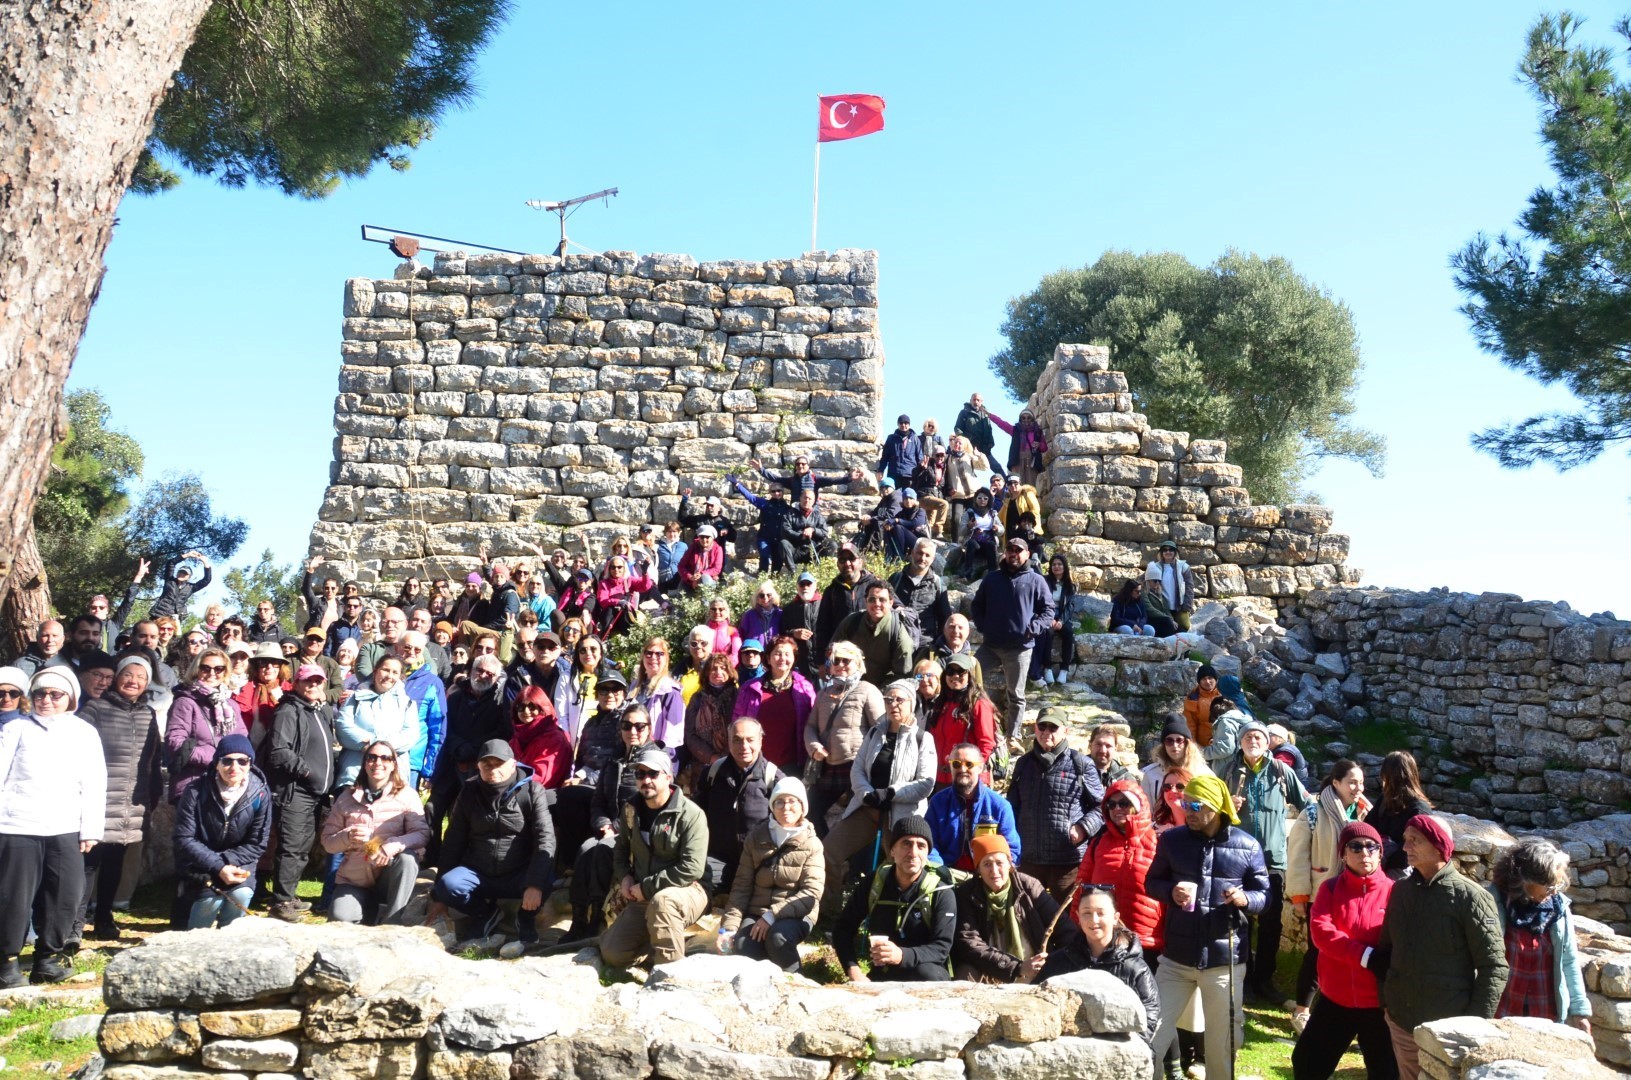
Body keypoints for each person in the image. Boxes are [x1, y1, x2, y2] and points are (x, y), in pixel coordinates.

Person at [1147, 775, 1270, 1080]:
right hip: (1175, 958)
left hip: (1223, 961)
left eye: (1195, 805)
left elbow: (1265, 896)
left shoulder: (1248, 846)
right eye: (1184, 803)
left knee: (1222, 1045)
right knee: (1151, 1037)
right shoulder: (1172, 841)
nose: (1187, 810)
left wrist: (1244, 898)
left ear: (1215, 807)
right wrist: (1170, 892)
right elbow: (1152, 882)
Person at [1379, 815, 1508, 1080]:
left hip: (1449, 1028)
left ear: (1439, 845)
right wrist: (1388, 1000)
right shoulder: (1401, 891)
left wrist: (1473, 1025)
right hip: (1401, 1020)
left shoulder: (1471, 897)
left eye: (1415, 840)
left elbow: (1493, 967)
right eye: (1406, 840)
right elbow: (1387, 948)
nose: (1405, 848)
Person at [0, 669, 105, 986]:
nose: (47, 700)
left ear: (70, 698)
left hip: (65, 827)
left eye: (55, 694)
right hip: (17, 825)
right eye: (41, 693)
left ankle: (49, 958)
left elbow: (95, 782)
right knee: (12, 898)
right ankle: (6, 964)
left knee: (64, 894)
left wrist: (91, 828)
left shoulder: (84, 732)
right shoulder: (16, 728)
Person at [819, 680, 938, 921]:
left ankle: (894, 920)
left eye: (899, 700)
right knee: (829, 851)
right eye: (888, 700)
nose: (893, 704)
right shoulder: (875, 732)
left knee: (900, 866)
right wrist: (867, 794)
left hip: (901, 816)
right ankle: (829, 912)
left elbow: (926, 782)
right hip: (868, 808)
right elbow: (858, 770)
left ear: (911, 703)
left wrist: (891, 793)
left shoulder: (922, 739)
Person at [1290, 821, 1398, 1080]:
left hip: (1378, 1004)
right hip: (1336, 999)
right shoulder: (1330, 889)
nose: (1365, 853)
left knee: (1386, 1073)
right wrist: (1366, 957)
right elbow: (1322, 933)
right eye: (1356, 847)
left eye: (1372, 847)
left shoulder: (1395, 893)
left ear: (1380, 852)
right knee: (1306, 1062)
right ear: (1343, 853)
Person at [1217, 719, 1310, 1000]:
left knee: (1271, 923)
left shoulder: (1281, 771)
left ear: (1267, 741)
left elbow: (1307, 806)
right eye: (1248, 737)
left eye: (1258, 737)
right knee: (1240, 920)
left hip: (1273, 860)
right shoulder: (1228, 771)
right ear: (1241, 742)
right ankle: (1243, 979)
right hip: (1237, 859)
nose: (1253, 741)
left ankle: (1264, 980)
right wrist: (1226, 807)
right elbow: (1212, 816)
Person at [429, 739, 555, 945]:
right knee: (448, 886)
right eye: (487, 764)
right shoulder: (469, 792)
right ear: (478, 766)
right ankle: (485, 913)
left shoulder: (532, 791)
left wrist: (534, 884)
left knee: (545, 877)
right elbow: (453, 840)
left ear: (513, 764)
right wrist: (439, 898)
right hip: (479, 872)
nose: (492, 769)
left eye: (499, 763)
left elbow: (545, 839)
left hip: (518, 873)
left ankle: (525, 917)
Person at [600, 745, 711, 969]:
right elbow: (620, 849)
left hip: (687, 890)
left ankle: (670, 975)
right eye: (640, 774)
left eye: (653, 773)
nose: (646, 780)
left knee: (663, 902)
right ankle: (661, 947)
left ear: (668, 777)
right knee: (613, 954)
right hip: (644, 894)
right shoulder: (631, 809)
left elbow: (692, 868)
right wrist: (625, 878)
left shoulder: (691, 814)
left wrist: (647, 887)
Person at [78, 655, 162, 941]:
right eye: (128, 674)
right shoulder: (95, 708)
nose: (133, 681)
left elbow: (153, 759)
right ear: (117, 677)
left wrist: (151, 797)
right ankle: (74, 926)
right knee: (88, 865)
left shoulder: (148, 714)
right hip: (97, 799)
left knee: (114, 863)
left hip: (131, 803)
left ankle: (103, 917)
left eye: (141, 677)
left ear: (147, 683)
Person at [1287, 758, 1373, 1030]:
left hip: (1352, 893)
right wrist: (1300, 896)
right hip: (1321, 891)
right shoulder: (1313, 813)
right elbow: (1298, 856)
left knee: (1344, 950)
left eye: (1361, 782)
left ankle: (1333, 1004)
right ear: (1336, 783)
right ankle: (1302, 1010)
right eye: (1352, 782)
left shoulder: (1364, 813)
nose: (1358, 788)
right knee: (1316, 952)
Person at [559, 705, 655, 943]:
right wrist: (602, 822)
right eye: (627, 725)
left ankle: (597, 921)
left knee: (601, 851)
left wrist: (615, 827)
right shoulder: (613, 760)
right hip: (609, 829)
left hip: (638, 833)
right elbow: (598, 801)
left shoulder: (654, 761)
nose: (633, 731)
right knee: (585, 850)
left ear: (649, 729)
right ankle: (578, 920)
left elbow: (647, 803)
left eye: (639, 726)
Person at [834, 815, 957, 983]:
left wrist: (902, 955)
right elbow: (843, 928)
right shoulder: (875, 883)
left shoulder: (940, 891)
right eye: (906, 843)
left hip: (928, 975)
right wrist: (853, 969)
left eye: (921, 846)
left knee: (926, 973)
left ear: (927, 853)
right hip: (884, 973)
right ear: (892, 850)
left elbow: (941, 948)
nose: (913, 853)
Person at [719, 776, 824, 971]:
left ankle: (794, 984)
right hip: (757, 910)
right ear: (772, 806)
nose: (786, 807)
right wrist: (728, 928)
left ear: (803, 807)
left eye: (793, 801)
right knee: (743, 947)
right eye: (779, 801)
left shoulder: (812, 844)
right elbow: (742, 886)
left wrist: (772, 916)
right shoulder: (756, 838)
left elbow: (812, 892)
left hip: (797, 913)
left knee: (777, 938)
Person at [321, 741, 429, 926]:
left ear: (393, 764)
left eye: (385, 758)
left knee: (408, 859)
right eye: (372, 757)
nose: (378, 763)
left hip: (388, 876)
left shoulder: (407, 795)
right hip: (354, 880)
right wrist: (346, 837)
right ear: (365, 764)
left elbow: (421, 834)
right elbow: (327, 843)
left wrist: (392, 846)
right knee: (340, 919)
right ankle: (368, 913)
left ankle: (392, 923)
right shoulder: (346, 797)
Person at [172, 734, 272, 932]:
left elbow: (257, 843)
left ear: (250, 764)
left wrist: (225, 863)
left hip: (239, 862)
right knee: (209, 900)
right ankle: (195, 944)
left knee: (241, 895)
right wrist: (217, 867)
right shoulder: (195, 791)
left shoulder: (260, 793)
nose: (234, 767)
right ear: (216, 764)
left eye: (242, 761)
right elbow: (184, 838)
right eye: (227, 761)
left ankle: (229, 944)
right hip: (199, 864)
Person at [1489, 837, 1591, 1031]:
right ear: (1524, 879)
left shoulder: (1558, 909)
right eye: (1548, 885)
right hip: (1502, 1012)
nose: (1553, 892)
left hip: (1546, 1014)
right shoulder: (1494, 903)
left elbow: (1568, 961)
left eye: (1557, 885)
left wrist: (1580, 1011)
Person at [1040, 883, 1162, 1043]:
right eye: (1087, 913)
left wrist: (1129, 1046)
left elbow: (1151, 1013)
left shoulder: (1134, 967)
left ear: (1115, 918)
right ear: (1077, 916)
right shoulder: (1060, 961)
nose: (1094, 920)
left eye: (1101, 913)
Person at [953, 833, 1077, 984]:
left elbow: (1065, 930)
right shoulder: (967, 894)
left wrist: (1051, 961)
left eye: (999, 862)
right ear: (978, 869)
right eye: (986, 864)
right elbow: (970, 943)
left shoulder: (1029, 887)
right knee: (965, 973)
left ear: (1009, 864)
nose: (994, 870)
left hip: (1034, 966)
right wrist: (1017, 967)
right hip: (989, 968)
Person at [1009, 707, 1104, 902]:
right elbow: (1012, 807)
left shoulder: (1081, 764)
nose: (1046, 732)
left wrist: (1083, 828)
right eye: (1042, 726)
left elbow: (1102, 807)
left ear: (1065, 731)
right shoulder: (1023, 764)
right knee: (1029, 920)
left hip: (1067, 863)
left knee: (1066, 922)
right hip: (1029, 861)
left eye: (1053, 728)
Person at [266, 663, 337, 921]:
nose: (313, 685)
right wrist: (307, 772)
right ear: (296, 683)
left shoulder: (321, 710)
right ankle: (280, 902)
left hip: (316, 794)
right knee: (291, 845)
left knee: (303, 846)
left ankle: (290, 895)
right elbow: (278, 752)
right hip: (295, 790)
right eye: (308, 681)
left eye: (318, 681)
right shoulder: (288, 711)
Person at [970, 535, 1054, 747]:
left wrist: (1033, 628)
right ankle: (971, 722)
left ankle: (1013, 736)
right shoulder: (992, 578)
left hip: (1019, 648)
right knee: (968, 678)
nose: (1013, 554)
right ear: (1005, 553)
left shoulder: (1036, 580)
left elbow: (1048, 610)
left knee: (1016, 694)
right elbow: (977, 606)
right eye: (1010, 550)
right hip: (990, 646)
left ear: (1027, 554)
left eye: (1018, 550)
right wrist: (983, 626)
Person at [430, 654, 511, 859]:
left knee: (469, 812)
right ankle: (431, 856)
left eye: (489, 673)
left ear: (496, 677)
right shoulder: (456, 695)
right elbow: (446, 727)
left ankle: (461, 856)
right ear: (472, 670)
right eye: (479, 670)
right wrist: (459, 747)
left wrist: (473, 749)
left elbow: (501, 731)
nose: (482, 675)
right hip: (452, 760)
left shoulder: (500, 699)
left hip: (481, 763)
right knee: (433, 807)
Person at [1078, 778, 1165, 962]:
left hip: (1147, 942)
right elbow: (1081, 889)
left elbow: (1167, 894)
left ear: (1138, 806)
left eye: (1124, 803)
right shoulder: (1098, 844)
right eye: (1111, 804)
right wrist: (1076, 929)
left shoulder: (1159, 843)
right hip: (1104, 940)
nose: (1117, 809)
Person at [803, 641, 886, 835]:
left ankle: (850, 863)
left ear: (857, 663)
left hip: (856, 766)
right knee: (811, 813)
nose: (840, 665)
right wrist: (814, 746)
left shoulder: (867, 690)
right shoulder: (823, 694)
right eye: (836, 660)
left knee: (855, 818)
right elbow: (811, 726)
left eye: (846, 661)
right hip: (827, 766)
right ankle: (826, 856)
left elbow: (880, 729)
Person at [696, 717, 782, 897]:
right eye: (737, 740)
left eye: (750, 740)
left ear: (760, 741)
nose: (744, 746)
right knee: (702, 896)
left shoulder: (774, 778)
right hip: (717, 859)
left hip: (758, 861)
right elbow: (696, 815)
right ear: (728, 742)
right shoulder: (712, 773)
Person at [165, 648, 248, 804]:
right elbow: (175, 742)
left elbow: (242, 740)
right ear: (197, 670)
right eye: (205, 668)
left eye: (218, 669)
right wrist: (217, 760)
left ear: (225, 672)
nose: (212, 673)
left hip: (227, 785)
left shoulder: (231, 705)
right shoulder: (185, 702)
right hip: (194, 785)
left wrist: (232, 762)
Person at [926, 742, 1022, 871]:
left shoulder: (1000, 806)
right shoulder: (938, 802)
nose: (962, 769)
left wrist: (994, 874)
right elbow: (929, 843)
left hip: (987, 876)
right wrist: (940, 870)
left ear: (980, 768)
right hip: (947, 872)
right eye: (956, 764)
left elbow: (1012, 849)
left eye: (969, 764)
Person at [335, 654, 422, 787]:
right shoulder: (355, 699)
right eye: (386, 670)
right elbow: (343, 728)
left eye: (395, 672)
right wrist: (376, 743)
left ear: (400, 676)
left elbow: (409, 736)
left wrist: (373, 745)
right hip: (354, 773)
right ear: (375, 671)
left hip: (393, 777)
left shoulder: (407, 704)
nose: (389, 676)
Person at [733, 636, 814, 772]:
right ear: (768, 658)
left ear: (794, 658)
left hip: (793, 764)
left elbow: (813, 723)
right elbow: (737, 722)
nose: (782, 658)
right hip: (756, 763)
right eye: (777, 653)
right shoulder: (750, 688)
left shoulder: (805, 688)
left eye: (787, 654)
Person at [926, 653, 997, 784]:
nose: (955, 676)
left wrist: (969, 771)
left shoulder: (978, 703)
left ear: (969, 675)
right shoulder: (941, 703)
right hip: (940, 778)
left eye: (961, 671)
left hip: (967, 779)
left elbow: (986, 743)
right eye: (950, 671)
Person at [832, 580, 915, 689]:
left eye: (882, 600)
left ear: (891, 603)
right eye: (872, 599)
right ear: (866, 602)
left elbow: (902, 675)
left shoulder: (898, 633)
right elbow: (833, 650)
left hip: (883, 690)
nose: (877, 604)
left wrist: (876, 692)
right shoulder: (852, 622)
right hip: (850, 685)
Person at [1366, 750, 1433, 878]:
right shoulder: (1384, 800)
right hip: (1380, 867)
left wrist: (1379, 863)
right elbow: (1368, 829)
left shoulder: (1419, 811)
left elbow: (1411, 852)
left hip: (1402, 874)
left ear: (1388, 776)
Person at [396, 632, 447, 789]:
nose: (411, 652)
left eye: (417, 649)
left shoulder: (432, 683)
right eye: (407, 647)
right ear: (397, 648)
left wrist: (430, 769)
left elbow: (437, 728)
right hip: (380, 757)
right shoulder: (385, 676)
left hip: (411, 762)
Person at [813, 543, 880, 663]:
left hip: (873, 655)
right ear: (838, 564)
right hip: (842, 658)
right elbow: (822, 628)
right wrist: (821, 662)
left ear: (860, 562)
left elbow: (894, 609)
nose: (847, 563)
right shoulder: (832, 591)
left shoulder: (875, 586)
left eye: (851, 559)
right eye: (842, 560)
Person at [681, 653, 737, 792]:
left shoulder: (738, 696)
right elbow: (690, 734)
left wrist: (725, 756)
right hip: (702, 765)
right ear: (706, 673)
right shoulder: (697, 698)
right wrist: (711, 757)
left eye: (723, 668)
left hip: (733, 762)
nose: (718, 672)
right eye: (713, 669)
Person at [890, 539, 951, 651]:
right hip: (896, 642)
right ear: (912, 553)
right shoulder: (896, 579)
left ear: (932, 559)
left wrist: (938, 644)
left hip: (924, 646)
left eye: (927, 555)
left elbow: (944, 617)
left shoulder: (938, 584)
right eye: (920, 553)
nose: (922, 558)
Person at [633, 637, 685, 769]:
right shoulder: (634, 688)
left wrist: (663, 765)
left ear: (666, 659)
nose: (653, 657)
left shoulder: (670, 691)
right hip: (633, 755)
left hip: (656, 761)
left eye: (659, 654)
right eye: (648, 653)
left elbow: (673, 736)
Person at [1142, 715, 1212, 809]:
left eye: (1179, 740)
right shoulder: (1150, 774)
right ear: (1164, 744)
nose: (1175, 745)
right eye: (1169, 741)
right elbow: (1146, 810)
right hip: (1160, 822)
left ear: (1187, 743)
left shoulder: (1203, 772)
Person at [1028, 554, 1077, 687]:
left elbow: (1070, 606)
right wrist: (1047, 618)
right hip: (1046, 616)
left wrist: (1061, 620)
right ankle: (1047, 667)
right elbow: (1039, 601)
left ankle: (1064, 669)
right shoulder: (1044, 581)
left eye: (1059, 564)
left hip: (1062, 616)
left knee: (1068, 632)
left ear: (1064, 567)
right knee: (1047, 633)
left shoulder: (1070, 585)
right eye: (1054, 564)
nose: (1056, 567)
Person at [509, 687, 572, 789]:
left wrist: (506, 784)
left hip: (543, 797)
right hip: (515, 793)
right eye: (521, 706)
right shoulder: (515, 739)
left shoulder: (555, 739)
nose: (526, 711)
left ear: (542, 708)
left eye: (532, 706)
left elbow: (541, 779)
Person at [942, 434, 988, 541]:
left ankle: (974, 539)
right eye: (956, 442)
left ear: (965, 446)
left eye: (960, 443)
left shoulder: (969, 457)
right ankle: (955, 543)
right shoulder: (948, 458)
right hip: (958, 494)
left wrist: (979, 455)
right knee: (956, 519)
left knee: (974, 518)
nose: (957, 444)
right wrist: (948, 490)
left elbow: (985, 467)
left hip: (973, 494)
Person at [1146, 540, 1198, 632]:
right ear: (1161, 553)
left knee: (1184, 628)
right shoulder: (1155, 567)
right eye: (1165, 550)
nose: (1168, 552)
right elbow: (1146, 581)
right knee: (1166, 630)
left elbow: (1189, 587)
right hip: (1162, 606)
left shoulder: (1183, 567)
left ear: (1175, 552)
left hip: (1179, 606)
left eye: (1171, 550)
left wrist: (1186, 606)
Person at [991, 408, 1048, 489]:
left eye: (1028, 417)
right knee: (1018, 486)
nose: (1026, 420)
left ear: (1032, 419)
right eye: (1023, 418)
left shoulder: (1037, 432)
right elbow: (1002, 423)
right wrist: (989, 415)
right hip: (1017, 462)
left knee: (1031, 487)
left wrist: (1039, 444)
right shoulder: (1015, 430)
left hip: (1031, 463)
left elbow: (1045, 448)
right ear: (1020, 419)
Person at [780, 570, 823, 678]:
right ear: (797, 587)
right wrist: (794, 633)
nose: (805, 587)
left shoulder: (825, 604)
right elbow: (781, 633)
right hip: (799, 666)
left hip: (822, 665)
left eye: (808, 584)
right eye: (802, 584)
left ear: (815, 585)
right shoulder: (789, 609)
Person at [147, 551, 213, 619]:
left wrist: (206, 563)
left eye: (184, 573)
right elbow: (171, 563)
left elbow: (206, 581)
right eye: (180, 572)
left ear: (189, 577)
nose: (181, 574)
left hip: (173, 619)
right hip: (158, 615)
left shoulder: (190, 587)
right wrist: (187, 555)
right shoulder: (170, 581)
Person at [781, 488, 834, 567]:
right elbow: (785, 530)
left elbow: (824, 532)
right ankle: (793, 571)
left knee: (832, 544)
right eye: (805, 497)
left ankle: (821, 569)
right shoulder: (789, 514)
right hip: (796, 549)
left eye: (810, 499)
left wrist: (813, 530)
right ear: (800, 498)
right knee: (783, 543)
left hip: (813, 549)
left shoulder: (817, 515)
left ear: (813, 501)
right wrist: (801, 536)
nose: (807, 500)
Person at [959, 488, 1001, 580]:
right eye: (980, 498)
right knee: (971, 543)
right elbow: (961, 531)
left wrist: (997, 528)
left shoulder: (992, 513)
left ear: (989, 500)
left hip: (988, 542)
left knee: (991, 545)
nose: (982, 500)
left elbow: (1002, 530)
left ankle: (992, 573)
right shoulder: (969, 512)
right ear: (975, 499)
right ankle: (967, 573)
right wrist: (968, 526)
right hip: (974, 543)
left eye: (985, 498)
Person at [877, 414, 925, 491]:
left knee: (908, 500)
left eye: (906, 423)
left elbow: (920, 458)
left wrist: (922, 469)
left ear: (909, 425)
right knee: (895, 500)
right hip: (894, 476)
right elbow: (885, 457)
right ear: (898, 424)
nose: (903, 425)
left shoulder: (915, 439)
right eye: (901, 423)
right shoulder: (891, 438)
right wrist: (881, 470)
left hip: (910, 476)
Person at [676, 524, 726, 591]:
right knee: (682, 588)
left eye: (707, 537)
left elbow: (717, 568)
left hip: (709, 579)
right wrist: (690, 577)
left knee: (705, 578)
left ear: (712, 538)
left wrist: (701, 574)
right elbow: (681, 566)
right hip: (692, 578)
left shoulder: (718, 549)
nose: (704, 540)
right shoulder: (693, 547)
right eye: (702, 537)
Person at [1266, 722, 1312, 791]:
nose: (1265, 738)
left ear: (1279, 739)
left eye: (1269, 735)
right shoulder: (1277, 750)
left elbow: (1275, 772)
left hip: (1296, 791)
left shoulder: (1285, 752)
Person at [1088, 723, 1133, 793]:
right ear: (1090, 745)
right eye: (1098, 744)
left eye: (1108, 746)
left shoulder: (1125, 779)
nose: (1103, 750)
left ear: (1115, 748)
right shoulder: (1075, 772)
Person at [1184, 665, 1221, 747]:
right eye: (1203, 679)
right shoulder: (1193, 699)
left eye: (1210, 677)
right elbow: (1190, 725)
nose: (1207, 681)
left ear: (1215, 679)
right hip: (1204, 746)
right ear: (1199, 682)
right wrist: (1193, 746)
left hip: (1226, 744)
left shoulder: (1226, 694)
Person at [954, 393, 997, 460]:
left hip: (984, 449)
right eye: (974, 400)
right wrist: (965, 441)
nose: (976, 402)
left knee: (997, 467)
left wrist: (991, 442)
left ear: (981, 402)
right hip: (969, 449)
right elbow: (957, 428)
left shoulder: (985, 414)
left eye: (978, 400)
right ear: (970, 401)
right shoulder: (964, 413)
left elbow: (989, 429)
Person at [739, 582, 783, 648]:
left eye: (769, 595)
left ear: (774, 597)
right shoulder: (749, 615)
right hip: (755, 654)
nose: (765, 598)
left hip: (775, 653)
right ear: (757, 598)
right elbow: (741, 636)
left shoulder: (780, 614)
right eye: (761, 595)